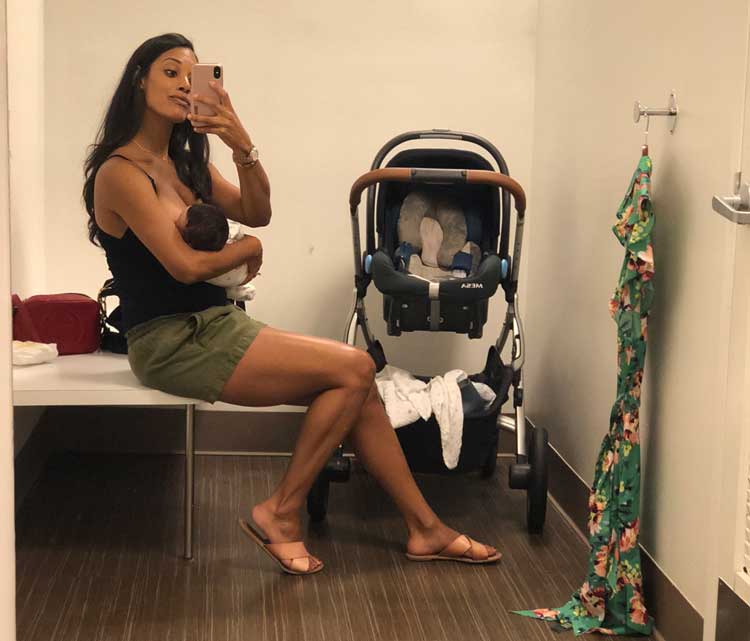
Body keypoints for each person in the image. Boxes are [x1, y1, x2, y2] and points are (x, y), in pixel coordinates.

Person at [83, 33, 500, 575]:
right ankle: (281, 512)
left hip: (215, 324)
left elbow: (258, 211)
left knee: (356, 385)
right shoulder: (120, 171)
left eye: (192, 74)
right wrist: (247, 250)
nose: (184, 84)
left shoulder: (185, 164)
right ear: (139, 80)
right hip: (169, 338)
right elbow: (183, 266)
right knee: (356, 369)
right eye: (169, 72)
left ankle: (424, 529)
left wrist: (241, 142)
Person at [175, 202, 256, 301]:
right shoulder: (226, 229)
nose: (175, 221)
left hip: (232, 277)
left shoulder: (200, 265)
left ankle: (231, 291)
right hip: (239, 275)